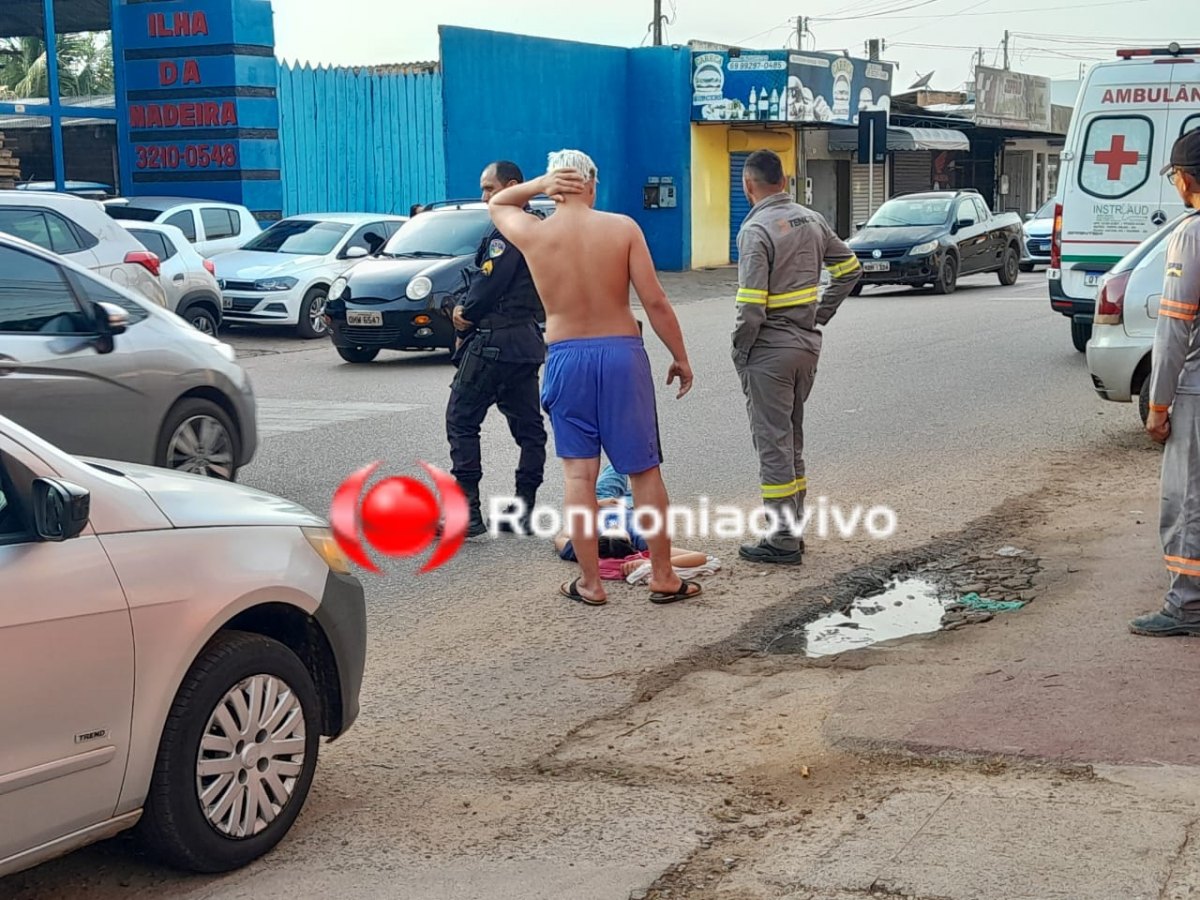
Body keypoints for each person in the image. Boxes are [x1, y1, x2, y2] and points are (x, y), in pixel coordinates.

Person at [487, 149, 699, 607]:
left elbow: (499, 204)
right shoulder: (621, 228)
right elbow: (656, 301)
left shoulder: (536, 234)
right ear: (591, 184)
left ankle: (591, 584)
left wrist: (539, 184)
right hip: (621, 353)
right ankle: (663, 576)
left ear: (559, 186)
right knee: (643, 472)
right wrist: (680, 356)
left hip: (565, 355)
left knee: (580, 477)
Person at [732, 148, 861, 565]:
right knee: (791, 440)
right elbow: (850, 269)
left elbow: (751, 306)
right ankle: (793, 528)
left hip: (770, 349)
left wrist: (740, 349)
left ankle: (783, 538)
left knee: (772, 444)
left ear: (748, 185)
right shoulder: (811, 218)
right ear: (784, 182)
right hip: (804, 345)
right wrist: (818, 315)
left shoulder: (756, 230)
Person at [446, 160, 548, 537]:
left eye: (490, 188)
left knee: (461, 419)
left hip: (494, 343)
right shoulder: (538, 226)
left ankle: (467, 513)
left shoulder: (508, 230)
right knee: (529, 429)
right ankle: (522, 509)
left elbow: (489, 285)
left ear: (513, 186)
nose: (484, 196)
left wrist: (463, 312)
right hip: (525, 343)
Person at [1130, 128, 1200, 637]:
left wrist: (1159, 403)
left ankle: (1188, 603)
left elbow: (1174, 323)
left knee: (1187, 497)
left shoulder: (1191, 233)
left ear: (1186, 179)